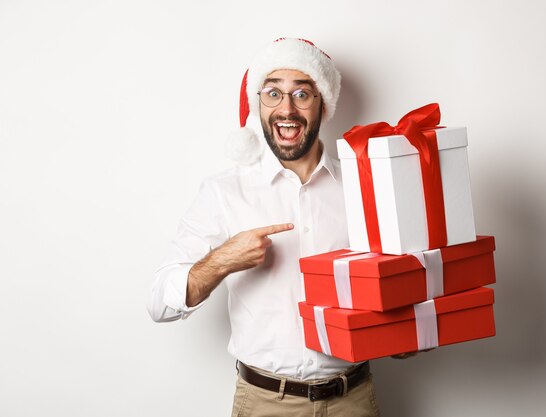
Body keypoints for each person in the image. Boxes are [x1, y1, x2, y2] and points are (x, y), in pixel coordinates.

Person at [147, 38, 380, 417]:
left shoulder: (364, 188)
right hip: (266, 403)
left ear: (324, 103)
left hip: (353, 400)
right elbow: (159, 304)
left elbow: (393, 289)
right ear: (259, 104)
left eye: (302, 93)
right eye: (273, 93)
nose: (286, 109)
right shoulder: (224, 192)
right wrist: (222, 260)